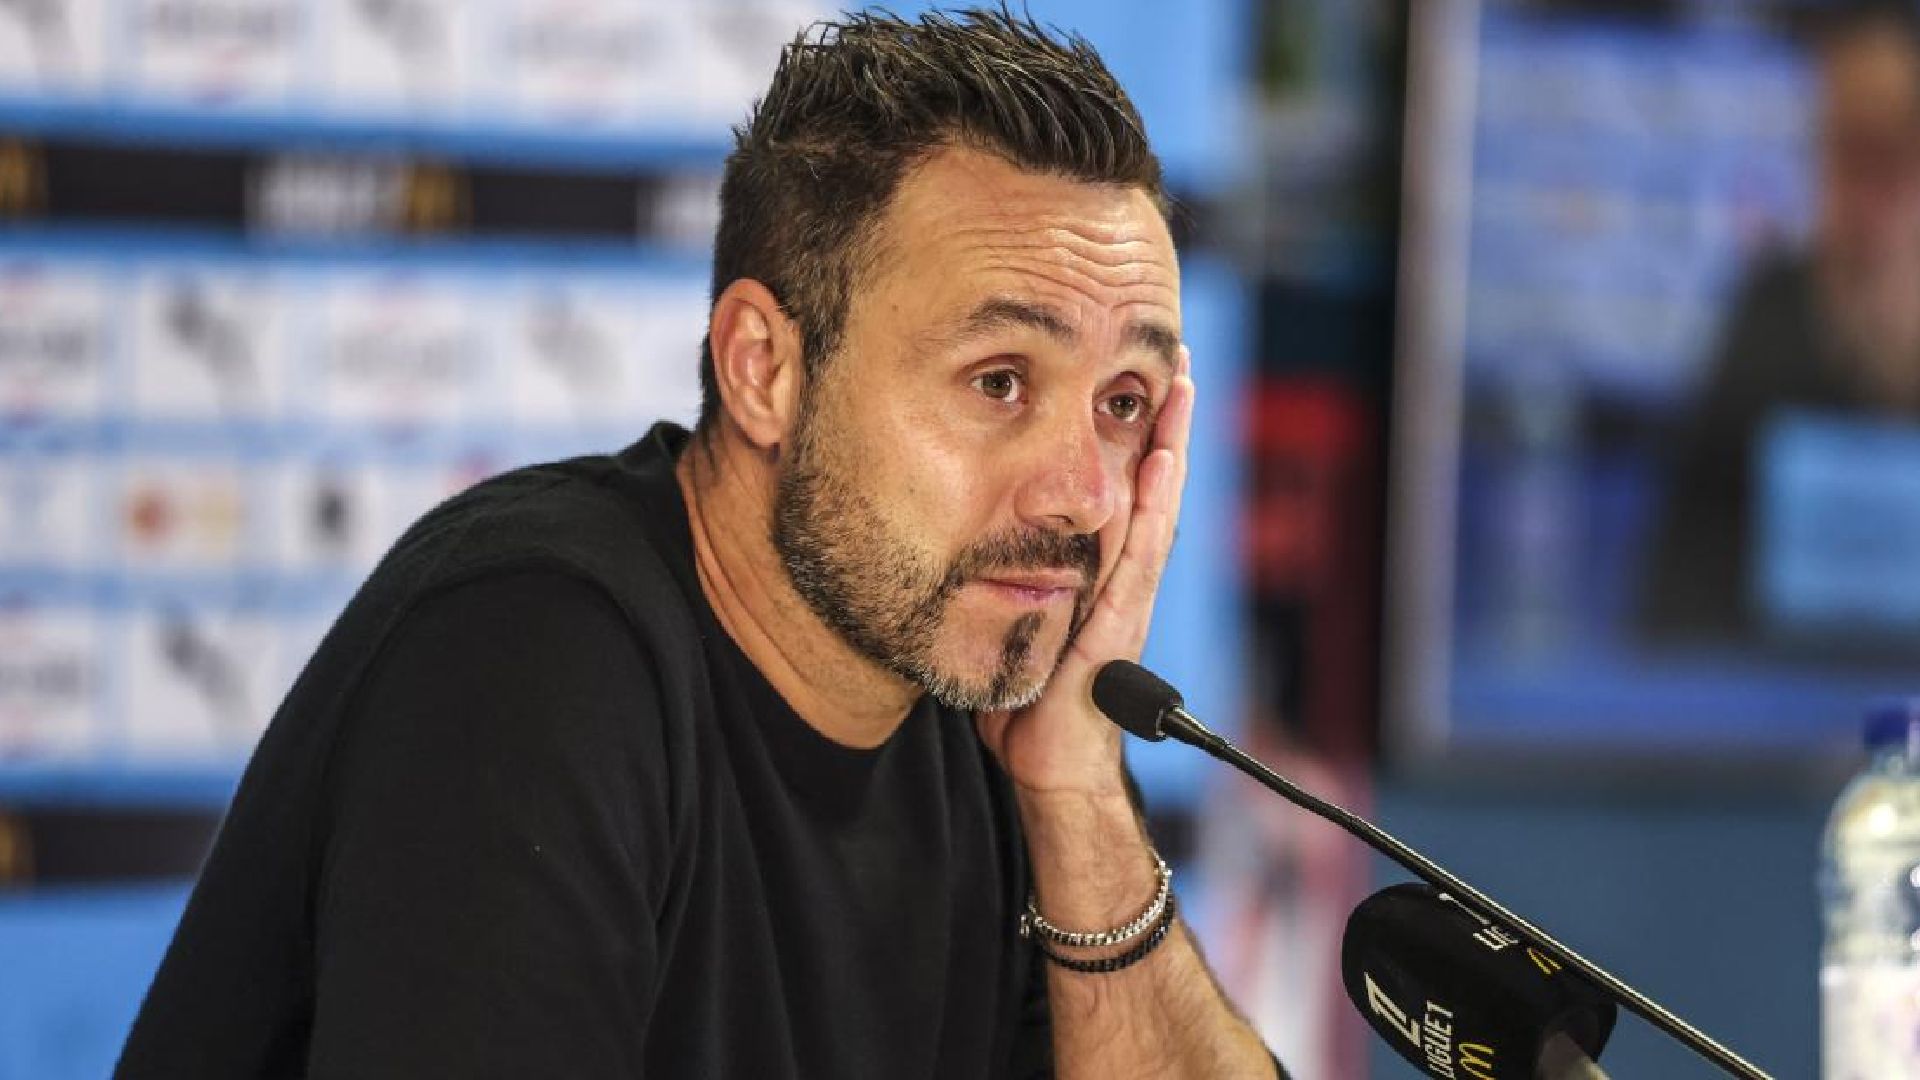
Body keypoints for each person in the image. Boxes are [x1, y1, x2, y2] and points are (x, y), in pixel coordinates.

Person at [115, 9, 1283, 1077]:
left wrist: (1077, 795)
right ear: (764, 369)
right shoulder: (532, 652)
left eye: (1123, 403)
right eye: (998, 382)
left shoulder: (987, 713)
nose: (1084, 495)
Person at [1639, 4, 1920, 645]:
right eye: (1843, 154)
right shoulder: (1773, 310)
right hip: (1774, 686)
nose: (1867, 200)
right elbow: (1675, 600)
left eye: (1891, 158)